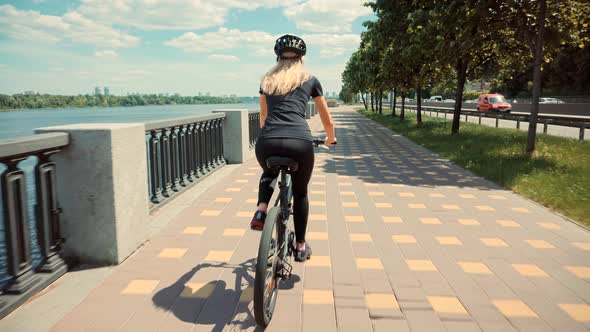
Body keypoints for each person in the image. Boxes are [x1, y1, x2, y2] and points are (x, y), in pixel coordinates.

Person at [250, 34, 336, 262]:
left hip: (268, 140)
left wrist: (270, 134)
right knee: (300, 193)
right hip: (299, 142)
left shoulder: (267, 80)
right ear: (302, 58)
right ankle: (299, 246)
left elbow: (264, 116)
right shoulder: (310, 79)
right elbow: (327, 120)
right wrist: (330, 139)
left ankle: (261, 209)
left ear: (278, 57)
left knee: (268, 172)